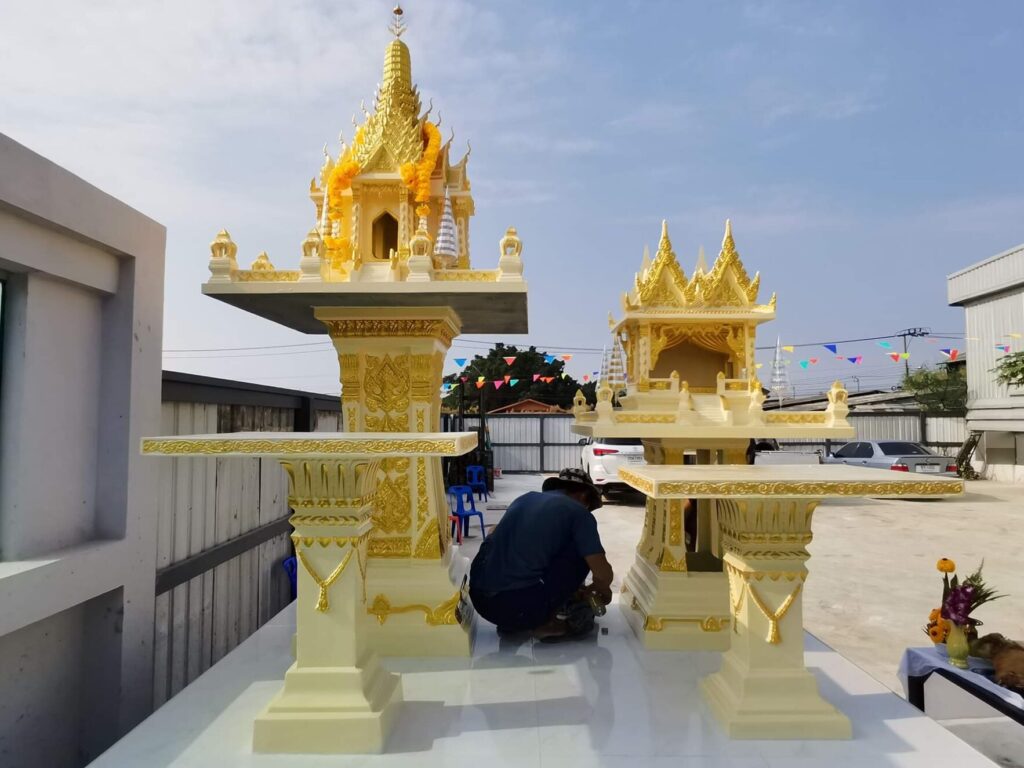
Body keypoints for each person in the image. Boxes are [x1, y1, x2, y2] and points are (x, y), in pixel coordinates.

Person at [469, 468, 614, 640]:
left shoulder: (524, 499)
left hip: (481, 601)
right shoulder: (578, 512)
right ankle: (546, 625)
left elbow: (495, 534)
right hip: (518, 607)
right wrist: (601, 590)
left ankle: (515, 621)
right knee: (580, 553)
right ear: (584, 496)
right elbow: (602, 573)